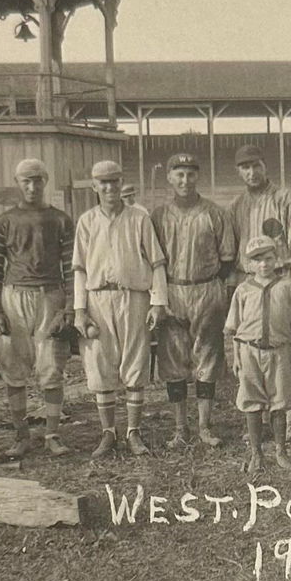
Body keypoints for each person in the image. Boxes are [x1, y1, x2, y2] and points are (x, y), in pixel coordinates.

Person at [73, 159, 170, 459]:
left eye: (114, 181)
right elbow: (79, 269)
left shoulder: (139, 218)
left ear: (121, 183)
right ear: (94, 186)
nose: (109, 187)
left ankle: (133, 432)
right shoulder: (87, 221)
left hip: (133, 296)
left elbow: (157, 262)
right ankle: (108, 433)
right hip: (98, 299)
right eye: (103, 182)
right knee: (101, 363)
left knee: (134, 362)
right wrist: (79, 309)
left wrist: (158, 302)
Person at [0, 157, 74, 459]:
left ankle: (52, 434)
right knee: (13, 368)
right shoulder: (4, 221)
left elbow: (70, 267)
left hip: (50, 296)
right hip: (14, 297)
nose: (32, 186)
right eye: (26, 181)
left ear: (45, 181)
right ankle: (21, 435)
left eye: (37, 180)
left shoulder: (60, 219)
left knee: (52, 367)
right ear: (18, 183)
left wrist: (69, 307)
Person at [150, 151, 236, 449]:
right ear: (170, 177)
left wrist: (213, 288)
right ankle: (180, 428)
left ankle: (204, 426)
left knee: (207, 359)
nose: (185, 180)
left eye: (190, 174)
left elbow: (228, 258)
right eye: (179, 174)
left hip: (206, 288)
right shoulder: (158, 216)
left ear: (197, 176)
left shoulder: (214, 213)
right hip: (172, 290)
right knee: (173, 361)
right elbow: (152, 260)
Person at [228, 144, 291, 439]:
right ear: (238, 171)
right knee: (253, 354)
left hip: (282, 279)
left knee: (287, 354)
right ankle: (261, 419)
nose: (251, 172)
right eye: (245, 167)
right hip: (251, 285)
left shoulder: (284, 198)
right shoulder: (237, 205)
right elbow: (234, 251)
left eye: (256, 165)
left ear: (265, 166)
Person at [224, 235, 291, 475]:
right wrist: (236, 357)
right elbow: (234, 328)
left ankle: (281, 451)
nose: (263, 264)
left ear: (277, 259)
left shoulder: (288, 286)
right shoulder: (243, 290)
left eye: (268, 258)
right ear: (249, 264)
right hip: (249, 351)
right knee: (252, 401)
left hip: (278, 351)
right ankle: (256, 453)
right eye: (257, 260)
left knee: (279, 401)